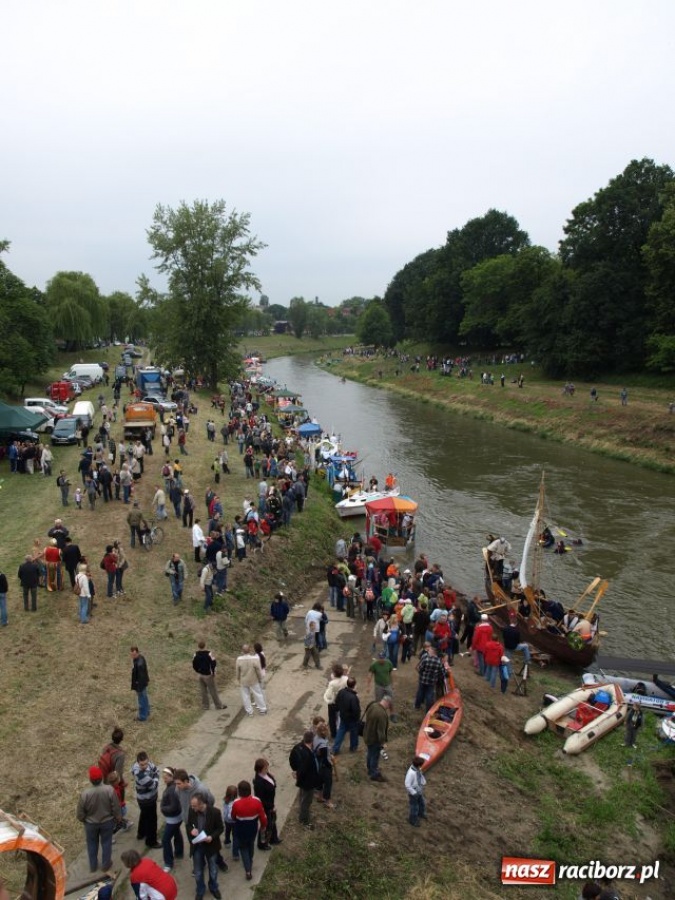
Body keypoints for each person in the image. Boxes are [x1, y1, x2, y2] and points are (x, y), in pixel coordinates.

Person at [76, 765, 120, 873]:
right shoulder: (109, 790)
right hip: (107, 822)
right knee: (106, 843)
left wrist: (85, 820)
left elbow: (80, 813)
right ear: (101, 777)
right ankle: (106, 865)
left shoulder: (85, 794)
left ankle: (93, 866)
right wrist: (117, 818)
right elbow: (116, 806)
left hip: (91, 824)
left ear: (90, 779)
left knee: (92, 844)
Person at [186, 791, 224, 900]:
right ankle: (200, 890)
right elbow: (188, 825)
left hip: (211, 846)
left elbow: (220, 828)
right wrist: (191, 830)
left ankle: (213, 887)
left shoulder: (215, 812)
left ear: (202, 804)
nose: (192, 808)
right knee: (198, 871)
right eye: (192, 806)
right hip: (197, 846)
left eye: (195, 806)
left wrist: (211, 837)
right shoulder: (191, 810)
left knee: (213, 870)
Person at [231, 779, 268, 880]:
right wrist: (263, 827)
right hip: (252, 828)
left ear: (239, 792)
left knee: (243, 848)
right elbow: (263, 817)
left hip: (240, 829)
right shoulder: (257, 801)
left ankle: (248, 870)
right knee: (251, 843)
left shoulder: (236, 803)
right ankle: (250, 859)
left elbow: (233, 816)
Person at [131, 751, 161, 848]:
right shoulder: (139, 774)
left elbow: (157, 770)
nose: (144, 766)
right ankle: (151, 841)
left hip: (149, 798)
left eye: (145, 763)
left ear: (148, 760)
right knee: (152, 820)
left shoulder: (149, 764)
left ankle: (141, 833)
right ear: (137, 762)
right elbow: (153, 785)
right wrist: (155, 778)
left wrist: (154, 776)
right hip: (146, 800)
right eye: (141, 764)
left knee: (144, 815)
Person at [289, 731, 318, 828]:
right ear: (312, 740)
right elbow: (304, 769)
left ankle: (302, 811)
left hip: (302, 780)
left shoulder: (298, 747)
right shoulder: (307, 755)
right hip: (307, 782)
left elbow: (291, 759)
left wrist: (295, 770)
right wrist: (298, 774)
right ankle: (304, 820)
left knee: (302, 796)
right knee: (307, 800)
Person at [160, 767, 184, 873]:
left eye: (166, 778)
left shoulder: (172, 790)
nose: (164, 780)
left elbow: (174, 806)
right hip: (176, 818)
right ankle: (179, 852)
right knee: (176, 832)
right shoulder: (172, 787)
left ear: (171, 777)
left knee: (165, 839)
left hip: (173, 818)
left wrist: (163, 808)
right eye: (163, 778)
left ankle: (168, 863)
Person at [253, 758, 282, 848]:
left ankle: (274, 839)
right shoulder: (259, 783)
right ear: (260, 769)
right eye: (265, 768)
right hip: (265, 807)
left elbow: (272, 782)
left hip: (270, 804)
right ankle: (262, 844)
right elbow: (261, 799)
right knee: (265, 825)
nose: (267, 769)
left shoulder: (266, 774)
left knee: (272, 822)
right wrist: (271, 807)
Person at [363, 696, 391, 781]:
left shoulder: (373, 705)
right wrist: (383, 742)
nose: (388, 708)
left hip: (367, 734)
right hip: (374, 739)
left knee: (370, 753)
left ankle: (369, 769)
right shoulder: (381, 714)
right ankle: (374, 774)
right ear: (387, 703)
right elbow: (381, 730)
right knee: (375, 756)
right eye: (388, 706)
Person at [193, 641, 225, 710]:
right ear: (205, 646)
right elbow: (213, 663)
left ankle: (205, 706)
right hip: (208, 675)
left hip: (200, 675)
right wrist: (213, 672)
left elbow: (194, 664)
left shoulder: (195, 654)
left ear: (198, 646)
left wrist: (197, 671)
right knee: (213, 690)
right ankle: (218, 705)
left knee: (203, 691)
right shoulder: (209, 653)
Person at [236, 643, 267, 715]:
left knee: (245, 696)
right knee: (258, 694)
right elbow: (258, 670)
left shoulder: (239, 659)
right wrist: (260, 678)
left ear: (242, 651)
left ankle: (249, 712)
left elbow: (237, 670)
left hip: (244, 680)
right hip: (253, 680)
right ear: (249, 650)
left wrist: (238, 679)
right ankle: (263, 709)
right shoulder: (255, 659)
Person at [332, 677, 361, 754]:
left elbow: (336, 701)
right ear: (354, 685)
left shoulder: (341, 692)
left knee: (341, 732)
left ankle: (335, 748)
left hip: (343, 716)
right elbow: (356, 710)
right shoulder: (353, 697)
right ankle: (353, 747)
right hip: (352, 719)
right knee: (354, 733)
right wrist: (357, 718)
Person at [313, 722, 336, 809]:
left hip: (317, 764)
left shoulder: (316, 737)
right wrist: (330, 766)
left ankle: (319, 796)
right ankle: (327, 801)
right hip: (324, 766)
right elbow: (325, 758)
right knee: (328, 782)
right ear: (324, 731)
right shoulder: (322, 745)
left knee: (319, 780)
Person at [414, 645, 444, 711]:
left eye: (429, 650)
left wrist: (421, 674)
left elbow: (420, 668)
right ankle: (428, 710)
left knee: (420, 692)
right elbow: (441, 672)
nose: (428, 651)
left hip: (423, 679)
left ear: (433, 651)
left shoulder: (426, 659)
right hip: (432, 681)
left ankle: (417, 706)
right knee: (429, 695)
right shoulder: (439, 662)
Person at [405, 756, 427, 827]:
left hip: (419, 791)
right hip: (414, 793)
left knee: (422, 803)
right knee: (414, 807)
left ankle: (421, 814)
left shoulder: (418, 769)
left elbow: (420, 776)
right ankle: (413, 820)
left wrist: (423, 782)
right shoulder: (411, 773)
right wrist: (414, 793)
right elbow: (407, 785)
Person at [131, 645, 150, 721]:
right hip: (143, 683)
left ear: (137, 652)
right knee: (145, 698)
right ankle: (147, 712)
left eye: (134, 654)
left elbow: (141, 677)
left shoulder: (139, 664)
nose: (133, 656)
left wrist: (139, 687)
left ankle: (142, 717)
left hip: (140, 685)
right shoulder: (140, 658)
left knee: (141, 700)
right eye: (132, 654)